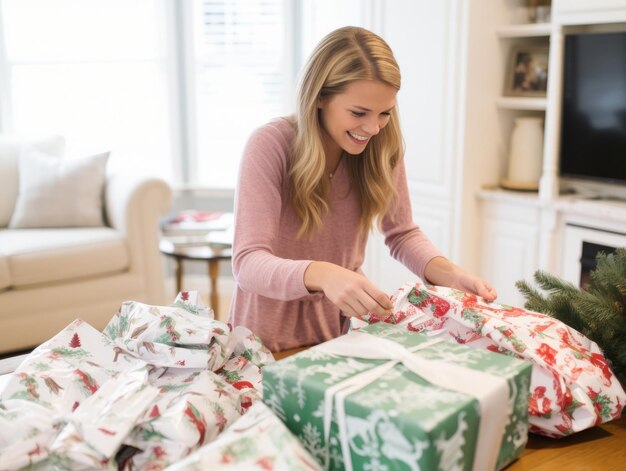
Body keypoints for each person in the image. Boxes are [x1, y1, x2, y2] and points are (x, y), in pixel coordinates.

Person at [228, 26, 496, 352]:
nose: (372, 128)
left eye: (385, 113)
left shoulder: (381, 146)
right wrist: (324, 274)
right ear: (320, 97)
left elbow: (402, 233)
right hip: (264, 339)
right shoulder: (271, 145)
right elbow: (248, 264)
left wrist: (450, 274)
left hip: (339, 333)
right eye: (358, 113)